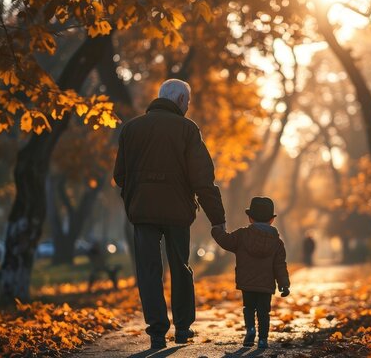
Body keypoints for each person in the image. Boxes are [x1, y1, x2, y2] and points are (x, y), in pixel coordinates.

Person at [113, 79, 226, 350]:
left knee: (149, 271)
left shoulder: (131, 129)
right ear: (179, 101)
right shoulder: (187, 129)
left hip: (143, 211)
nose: (188, 107)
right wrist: (218, 220)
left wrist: (135, 195)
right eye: (187, 101)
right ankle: (183, 328)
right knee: (180, 267)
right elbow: (203, 179)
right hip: (177, 211)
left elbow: (119, 176)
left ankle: (156, 332)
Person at [211, 196, 290, 349]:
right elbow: (280, 265)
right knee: (263, 312)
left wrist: (216, 230)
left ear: (250, 218)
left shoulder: (242, 235)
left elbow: (226, 241)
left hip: (247, 283)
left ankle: (250, 330)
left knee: (249, 308)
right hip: (266, 285)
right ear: (272, 220)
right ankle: (263, 339)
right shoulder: (277, 243)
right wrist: (284, 284)